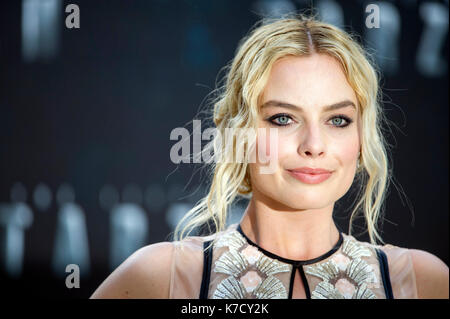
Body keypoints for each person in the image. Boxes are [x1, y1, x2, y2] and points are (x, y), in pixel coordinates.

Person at [91, 15, 449, 299]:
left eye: (338, 120)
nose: (314, 144)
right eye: (283, 118)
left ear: (360, 137)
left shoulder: (421, 283)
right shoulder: (160, 278)